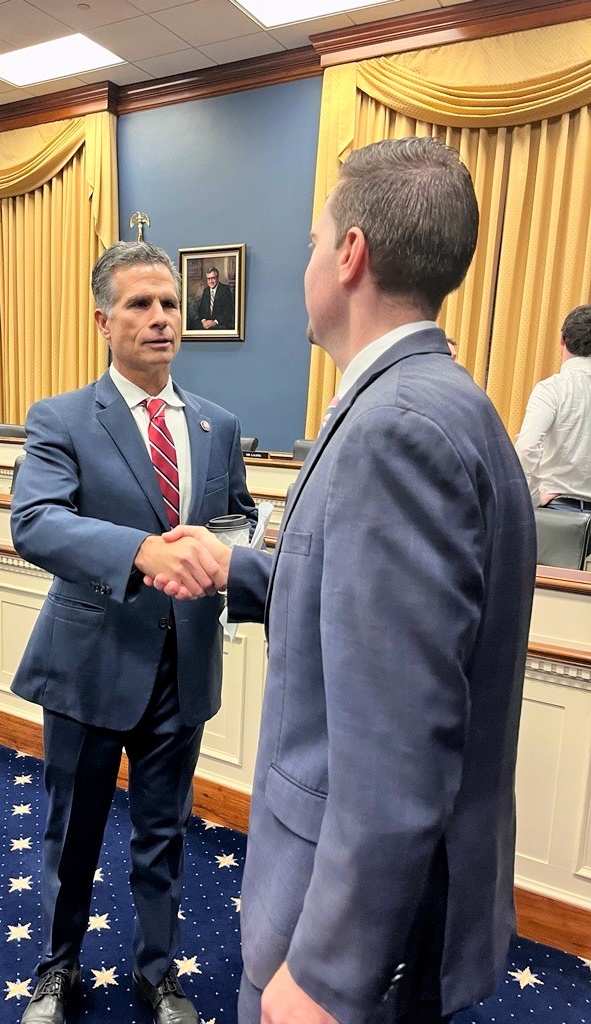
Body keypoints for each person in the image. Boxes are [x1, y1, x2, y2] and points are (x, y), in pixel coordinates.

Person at [148, 137, 536, 1024]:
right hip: (388, 902)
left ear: (351, 254)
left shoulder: (394, 430)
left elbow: (401, 740)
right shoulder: (443, 402)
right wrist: (240, 572)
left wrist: (328, 970)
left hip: (342, 922)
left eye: (318, 238)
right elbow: (375, 606)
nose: (310, 260)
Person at [10, 240, 256, 1024]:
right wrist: (144, 551)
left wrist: (227, 552)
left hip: (183, 666)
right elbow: (37, 522)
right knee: (72, 833)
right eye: (140, 305)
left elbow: (239, 517)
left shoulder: (218, 424)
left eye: (170, 304)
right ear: (103, 320)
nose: (160, 319)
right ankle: (57, 969)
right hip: (90, 664)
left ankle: (157, 973)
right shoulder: (62, 418)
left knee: (164, 833)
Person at [514, 304, 591, 507]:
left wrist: (531, 500)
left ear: (561, 340)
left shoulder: (552, 389)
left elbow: (527, 447)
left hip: (558, 509)